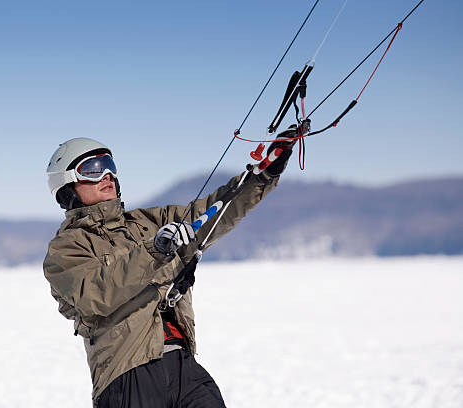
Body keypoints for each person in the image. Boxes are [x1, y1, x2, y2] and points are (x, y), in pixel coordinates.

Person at [43, 133, 293, 407]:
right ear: (67, 186)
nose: (106, 175)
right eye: (91, 169)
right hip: (126, 376)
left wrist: (262, 176)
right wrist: (154, 251)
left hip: (183, 366)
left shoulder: (148, 222)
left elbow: (211, 212)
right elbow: (94, 295)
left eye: (109, 166)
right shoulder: (66, 248)